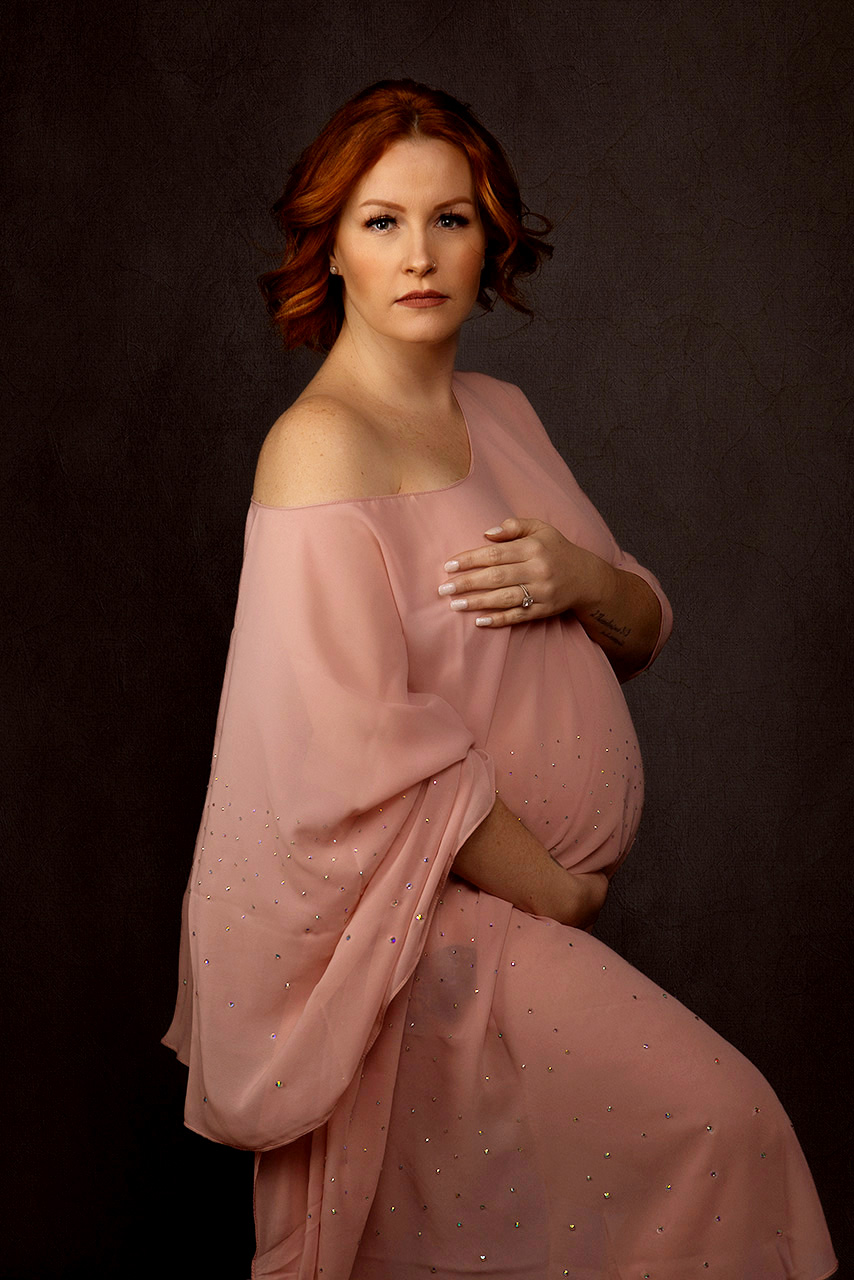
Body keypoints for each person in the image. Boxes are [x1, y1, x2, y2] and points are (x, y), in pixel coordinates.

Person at [163, 80, 837, 1280]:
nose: (419, 255)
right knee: (727, 1126)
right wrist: (560, 895)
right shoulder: (318, 448)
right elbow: (358, 743)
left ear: (492, 239)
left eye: (450, 219)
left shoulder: (502, 411)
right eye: (380, 221)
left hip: (502, 927)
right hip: (434, 939)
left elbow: (640, 624)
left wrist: (578, 572)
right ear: (331, 248)